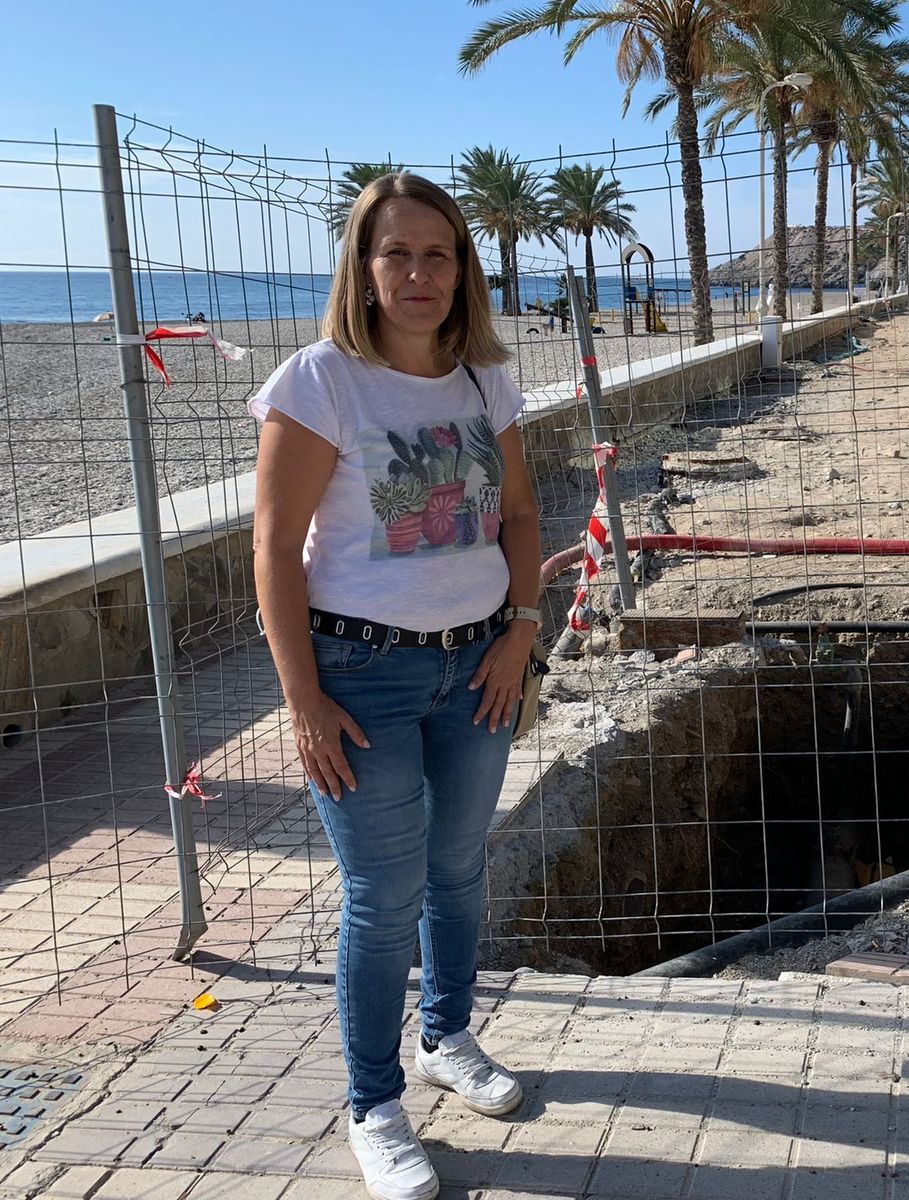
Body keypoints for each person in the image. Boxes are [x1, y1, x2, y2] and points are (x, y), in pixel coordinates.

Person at [250, 171, 543, 1200]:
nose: (419, 273)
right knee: (383, 899)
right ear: (362, 271)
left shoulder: (482, 382)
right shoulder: (319, 382)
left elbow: (516, 515)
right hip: (360, 676)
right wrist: (303, 700)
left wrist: (520, 631)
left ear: (463, 269)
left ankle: (446, 1037)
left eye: (439, 253)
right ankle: (374, 1104)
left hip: (479, 667)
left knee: (459, 868)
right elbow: (276, 553)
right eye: (396, 254)